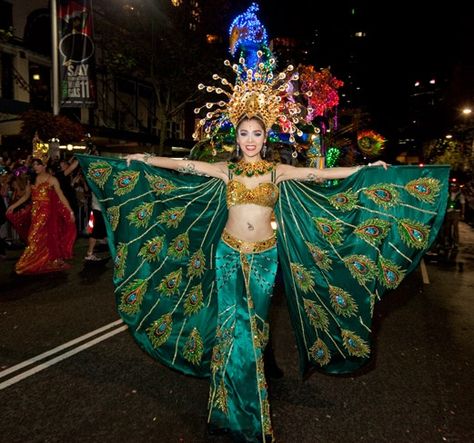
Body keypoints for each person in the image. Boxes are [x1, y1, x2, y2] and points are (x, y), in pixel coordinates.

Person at [77, 59, 449, 442]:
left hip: (264, 257)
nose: (250, 139)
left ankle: (241, 407)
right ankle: (228, 409)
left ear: (265, 136)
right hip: (226, 254)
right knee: (230, 328)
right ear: (236, 137)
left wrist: (367, 170)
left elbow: (321, 174)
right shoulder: (225, 170)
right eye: (244, 133)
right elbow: (185, 166)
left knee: (253, 331)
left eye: (256, 133)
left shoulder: (277, 172)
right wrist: (145, 159)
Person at [6, 158, 77, 274]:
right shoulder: (32, 180)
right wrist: (14, 206)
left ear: (44, 166)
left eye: (38, 165)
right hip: (35, 212)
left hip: (47, 213)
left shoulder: (52, 179)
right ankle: (44, 259)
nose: (35, 167)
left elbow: (61, 196)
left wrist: (70, 211)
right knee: (38, 237)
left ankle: (31, 260)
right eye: (34, 165)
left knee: (34, 236)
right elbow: (26, 196)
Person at [443, 181, 466, 248]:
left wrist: (462, 214)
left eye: (455, 186)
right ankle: (447, 241)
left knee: (455, 227)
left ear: (457, 187)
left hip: (456, 212)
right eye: (452, 186)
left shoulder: (460, 195)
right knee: (447, 227)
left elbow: (463, 204)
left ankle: (456, 243)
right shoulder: (448, 194)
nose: (453, 188)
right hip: (448, 212)